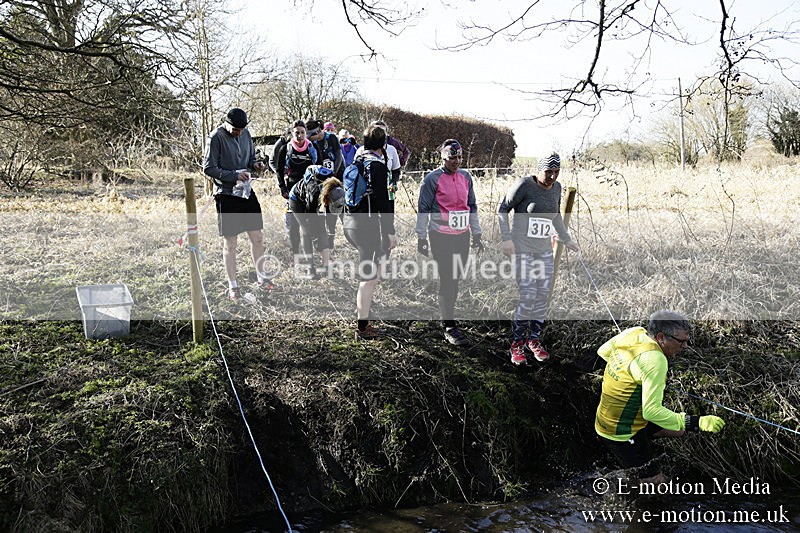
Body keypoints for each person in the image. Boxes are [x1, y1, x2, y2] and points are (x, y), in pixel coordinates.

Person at [595, 310, 725, 483]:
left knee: (678, 431)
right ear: (661, 337)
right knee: (656, 484)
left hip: (613, 416)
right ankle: (633, 487)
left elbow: (603, 351)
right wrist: (697, 422)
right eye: (682, 341)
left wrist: (636, 377)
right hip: (620, 431)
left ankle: (645, 444)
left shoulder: (634, 333)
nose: (686, 346)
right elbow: (651, 412)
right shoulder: (655, 360)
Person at [497, 153, 579, 364]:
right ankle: (517, 344)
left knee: (542, 295)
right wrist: (506, 239)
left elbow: (556, 217)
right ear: (538, 170)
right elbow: (503, 209)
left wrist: (566, 238)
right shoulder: (524, 185)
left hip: (544, 250)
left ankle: (534, 340)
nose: (552, 176)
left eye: (556, 172)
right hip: (522, 248)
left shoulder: (557, 188)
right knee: (529, 294)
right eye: (548, 171)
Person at [203, 107, 276, 301]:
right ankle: (233, 286)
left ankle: (262, 277)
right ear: (227, 124)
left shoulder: (246, 134)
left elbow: (251, 158)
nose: (239, 133)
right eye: (236, 129)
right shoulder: (215, 137)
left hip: (246, 192)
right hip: (226, 195)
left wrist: (256, 164)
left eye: (242, 129)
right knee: (231, 242)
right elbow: (208, 168)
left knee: (258, 237)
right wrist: (233, 175)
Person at [416, 139, 483, 346]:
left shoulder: (466, 177)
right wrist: (421, 237)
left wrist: (477, 234)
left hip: (462, 235)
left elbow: (471, 205)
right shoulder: (432, 179)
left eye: (459, 157)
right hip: (440, 235)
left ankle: (450, 319)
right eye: (452, 158)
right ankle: (449, 326)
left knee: (455, 277)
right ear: (443, 158)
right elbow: (423, 209)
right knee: (448, 278)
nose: (456, 161)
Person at [343, 124, 398, 339]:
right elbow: (384, 203)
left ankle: (364, 310)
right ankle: (362, 327)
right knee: (367, 277)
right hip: (367, 227)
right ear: (383, 145)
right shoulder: (377, 166)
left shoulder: (357, 161)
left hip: (351, 224)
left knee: (373, 271)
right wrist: (390, 231)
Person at [276, 120, 318, 260]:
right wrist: (282, 188)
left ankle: (311, 256)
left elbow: (319, 169)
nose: (299, 136)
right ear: (291, 133)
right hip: (292, 190)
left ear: (306, 133)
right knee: (293, 225)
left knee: (309, 225)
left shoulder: (313, 148)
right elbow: (279, 170)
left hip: (310, 190)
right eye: (296, 133)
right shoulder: (285, 149)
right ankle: (296, 255)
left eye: (302, 133)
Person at [288, 165, 336, 277]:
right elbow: (311, 218)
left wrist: (331, 233)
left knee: (322, 229)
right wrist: (316, 240)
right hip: (297, 200)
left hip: (317, 197)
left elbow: (331, 216)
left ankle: (326, 265)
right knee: (307, 232)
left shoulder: (336, 186)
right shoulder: (314, 192)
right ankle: (310, 267)